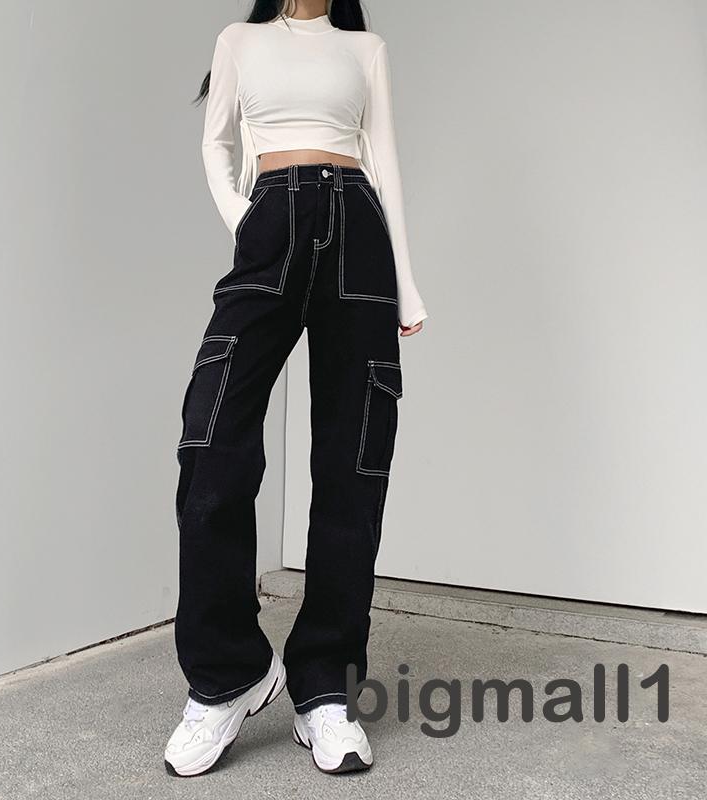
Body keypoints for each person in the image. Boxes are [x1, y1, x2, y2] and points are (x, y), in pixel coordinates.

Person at [165, 0, 427, 776]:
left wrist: (406, 283)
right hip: (271, 220)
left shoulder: (364, 49)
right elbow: (216, 144)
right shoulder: (239, 41)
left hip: (359, 231)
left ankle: (325, 691)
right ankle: (229, 675)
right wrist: (249, 222)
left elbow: (384, 162)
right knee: (211, 441)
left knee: (353, 465)